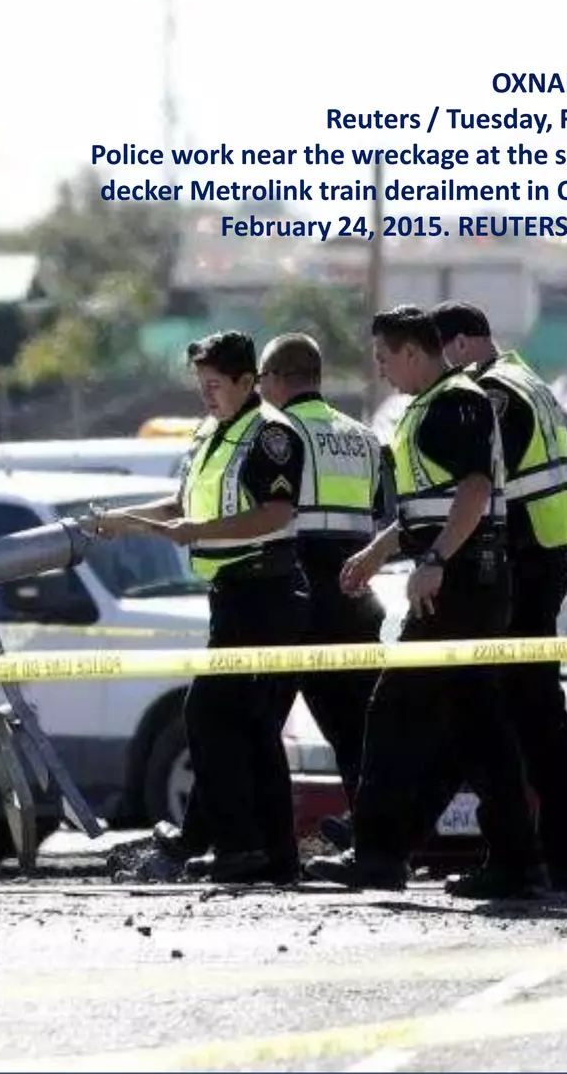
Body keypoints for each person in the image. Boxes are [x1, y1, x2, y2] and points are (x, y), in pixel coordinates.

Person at [305, 305, 545, 898]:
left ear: (412, 352)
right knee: (476, 727)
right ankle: (515, 862)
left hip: (460, 585)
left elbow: (474, 489)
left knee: (393, 714)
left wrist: (436, 561)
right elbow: (427, 508)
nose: (382, 371)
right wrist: (378, 553)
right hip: (469, 581)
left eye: (385, 358)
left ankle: (379, 854)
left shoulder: (451, 402)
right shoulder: (438, 404)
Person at [97, 330, 306, 884]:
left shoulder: (271, 435)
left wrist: (201, 530)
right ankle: (274, 855)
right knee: (252, 728)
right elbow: (182, 505)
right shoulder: (215, 433)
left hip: (263, 594)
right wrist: (126, 518)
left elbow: (276, 513)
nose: (206, 395)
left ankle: (239, 846)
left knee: (210, 714)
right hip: (232, 596)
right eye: (201, 385)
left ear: (246, 381)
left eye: (215, 385)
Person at [411, 301, 567, 892]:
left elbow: (480, 482)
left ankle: (523, 857)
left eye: (444, 355)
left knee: (496, 710)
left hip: (521, 561)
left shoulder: (491, 393)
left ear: (463, 344)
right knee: (530, 712)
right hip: (543, 555)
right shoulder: (529, 380)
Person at [256, 333, 389, 809]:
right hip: (352, 596)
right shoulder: (365, 437)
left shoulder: (275, 435)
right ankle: (375, 844)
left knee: (253, 727)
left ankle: (248, 844)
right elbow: (380, 518)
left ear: (274, 378)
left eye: (260, 378)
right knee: (358, 734)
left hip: (292, 594)